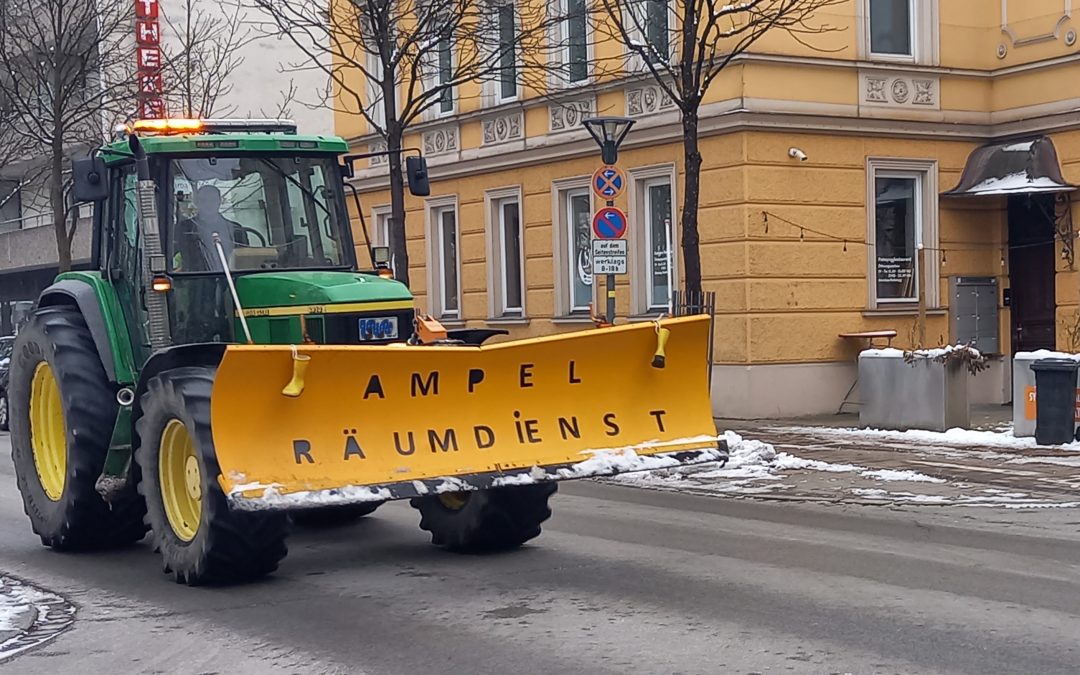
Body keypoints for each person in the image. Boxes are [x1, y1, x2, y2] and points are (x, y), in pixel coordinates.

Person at [175, 185, 247, 271]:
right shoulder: (184, 229)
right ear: (197, 202)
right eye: (204, 201)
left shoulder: (236, 230)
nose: (209, 204)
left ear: (220, 201)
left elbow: (244, 259)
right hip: (195, 279)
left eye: (213, 200)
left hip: (232, 279)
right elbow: (170, 254)